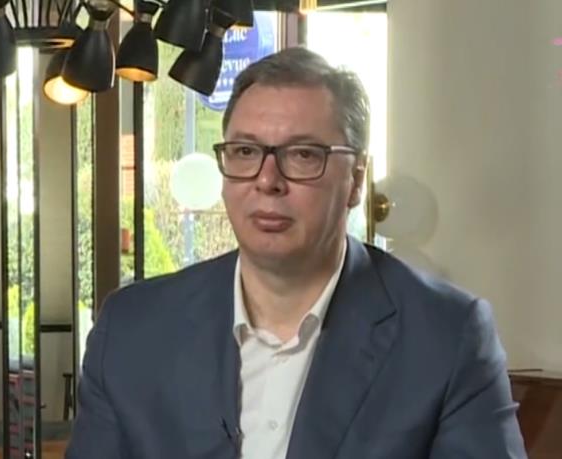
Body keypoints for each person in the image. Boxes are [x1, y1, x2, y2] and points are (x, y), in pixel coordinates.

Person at [66, 47, 526, 458]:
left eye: (303, 155)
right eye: (245, 152)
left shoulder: (446, 337)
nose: (268, 180)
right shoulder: (132, 330)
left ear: (356, 181)